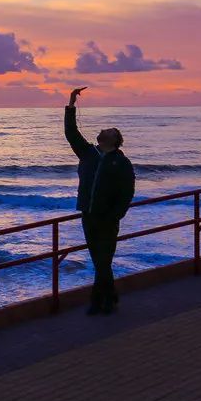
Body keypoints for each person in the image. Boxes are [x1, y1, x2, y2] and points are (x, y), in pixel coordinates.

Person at [65, 86, 136, 315]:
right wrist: (71, 102)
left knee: (103, 260)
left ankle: (99, 302)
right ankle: (109, 297)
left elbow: (127, 192)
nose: (103, 130)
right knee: (99, 260)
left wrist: (115, 215)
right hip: (88, 215)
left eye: (108, 131)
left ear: (114, 140)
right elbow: (71, 132)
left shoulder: (121, 162)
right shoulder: (88, 153)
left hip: (108, 219)